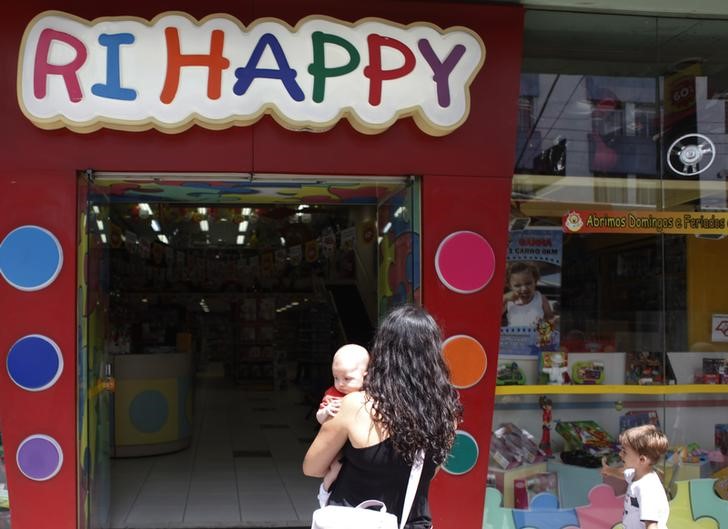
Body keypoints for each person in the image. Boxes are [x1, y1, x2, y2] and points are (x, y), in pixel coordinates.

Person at [303, 304, 462, 529]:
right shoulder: (445, 414)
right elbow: (427, 473)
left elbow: (312, 467)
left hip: (355, 521)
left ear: (383, 352)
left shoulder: (357, 406)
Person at [314, 343, 370, 507]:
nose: (340, 384)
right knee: (336, 469)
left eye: (347, 378)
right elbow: (319, 417)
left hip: (360, 448)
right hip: (338, 447)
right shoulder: (333, 395)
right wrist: (326, 411)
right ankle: (325, 492)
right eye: (336, 378)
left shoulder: (370, 394)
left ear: (365, 375)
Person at [600, 424, 670, 529]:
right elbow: (624, 474)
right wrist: (609, 470)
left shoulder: (647, 488)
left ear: (642, 460)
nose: (620, 454)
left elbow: (651, 524)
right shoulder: (636, 474)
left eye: (624, 452)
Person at [502, 261, 555, 327]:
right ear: (509, 286)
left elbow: (549, 317)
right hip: (515, 336)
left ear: (535, 281)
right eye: (517, 285)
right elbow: (494, 314)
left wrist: (545, 334)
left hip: (535, 336)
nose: (524, 288)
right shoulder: (508, 301)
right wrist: (505, 298)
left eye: (528, 283)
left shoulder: (540, 298)